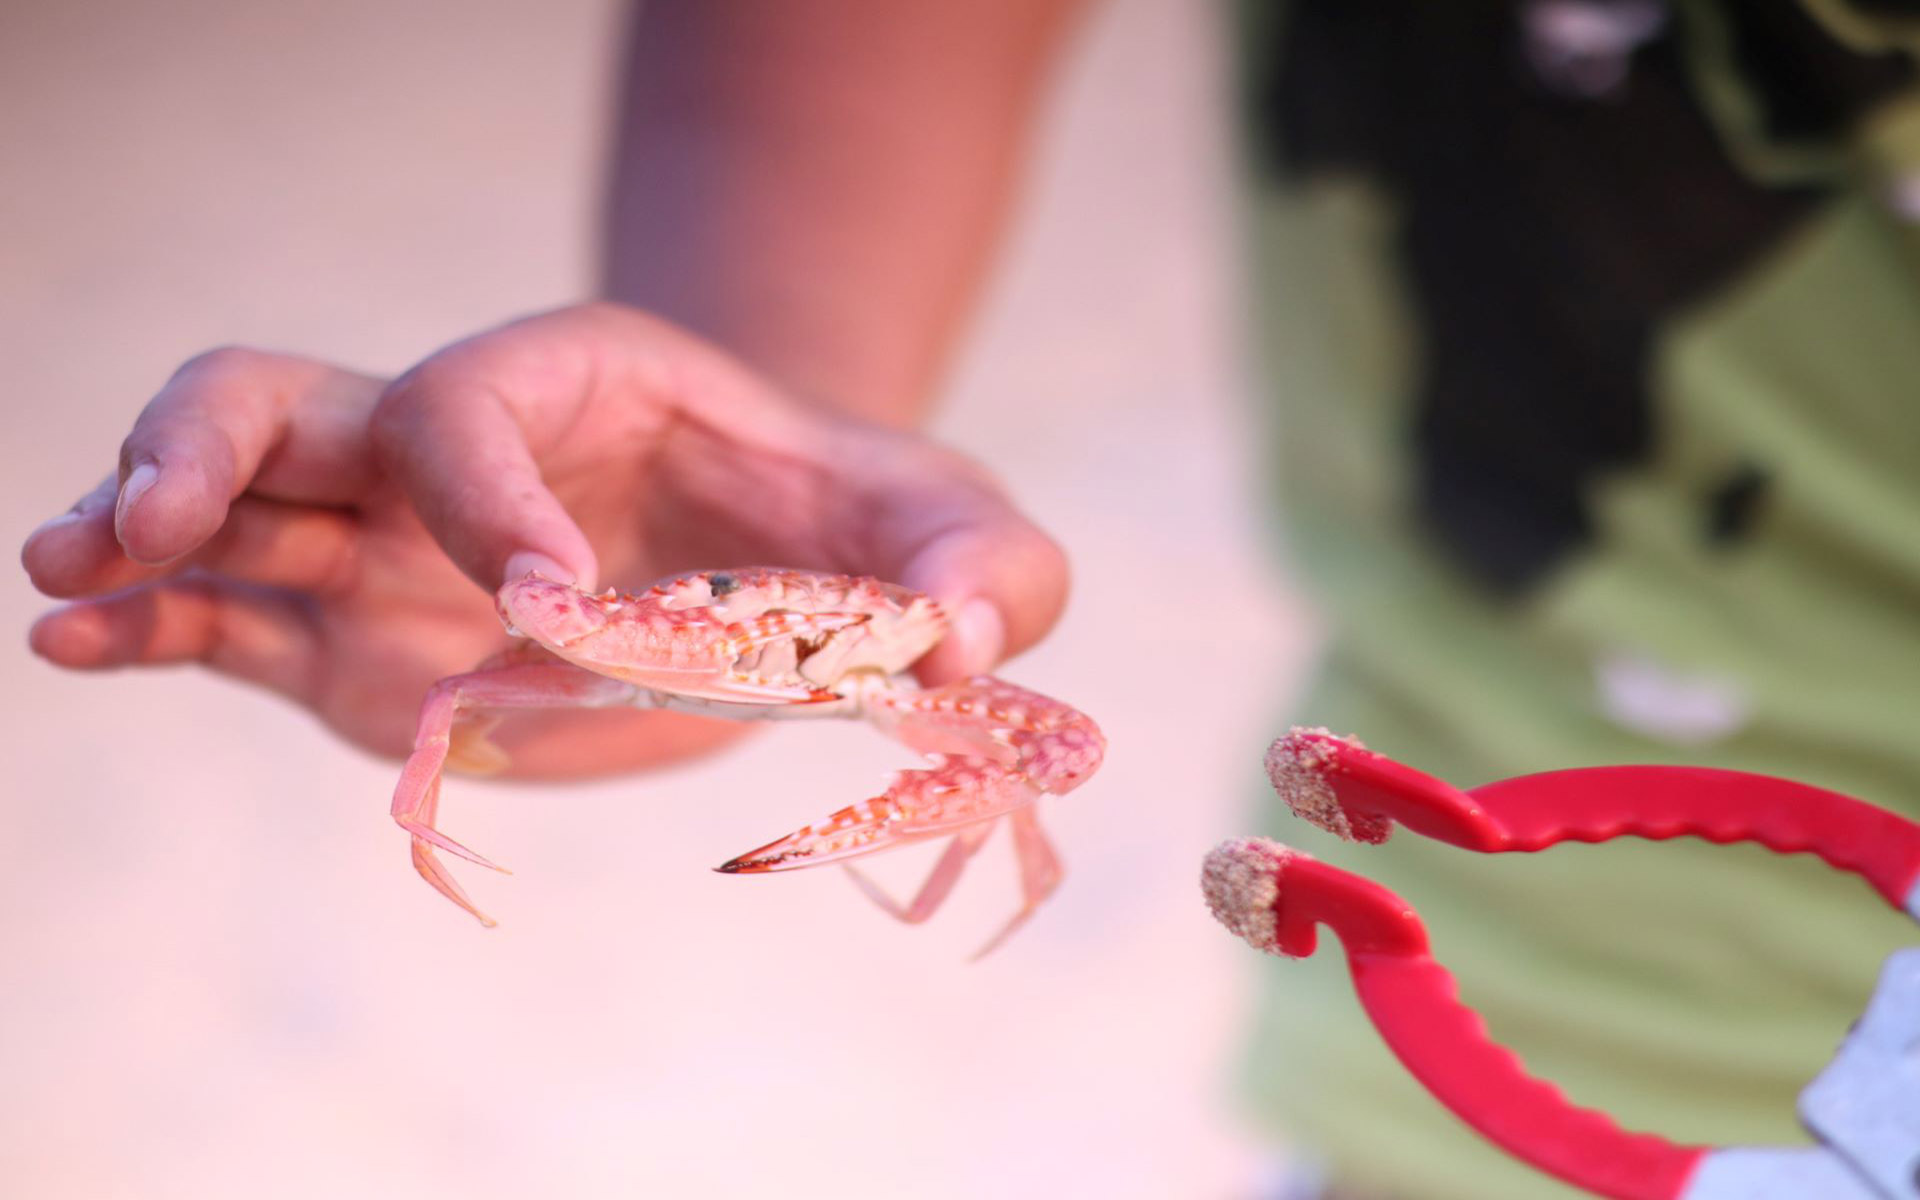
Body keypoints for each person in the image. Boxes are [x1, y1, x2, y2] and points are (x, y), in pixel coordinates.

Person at [21, 3, 1920, 1198]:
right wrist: (751, 392)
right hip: (1515, 1001)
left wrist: (899, 820)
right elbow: (484, 690)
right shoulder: (689, 613)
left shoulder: (902, 673)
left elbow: (1041, 753)